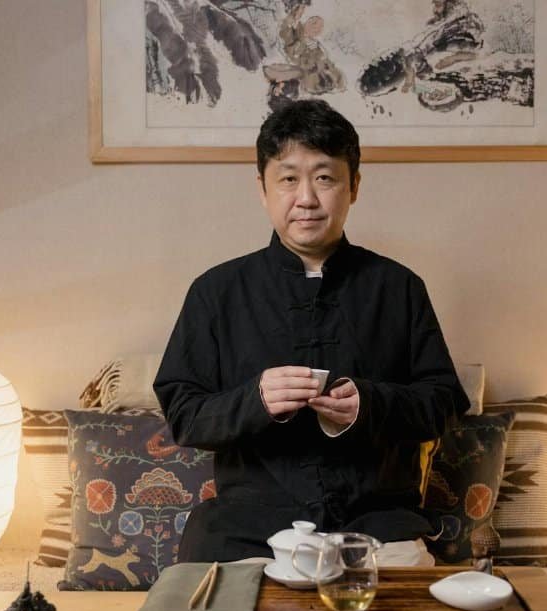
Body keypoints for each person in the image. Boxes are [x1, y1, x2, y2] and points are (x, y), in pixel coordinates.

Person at [153, 98, 469, 562]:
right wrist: (255, 399)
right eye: (288, 179)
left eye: (325, 178)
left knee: (410, 596)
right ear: (262, 187)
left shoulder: (399, 288)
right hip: (249, 526)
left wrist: (371, 403)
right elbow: (183, 413)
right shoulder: (215, 292)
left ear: (353, 186)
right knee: (205, 609)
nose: (306, 198)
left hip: (377, 521)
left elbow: (443, 403)